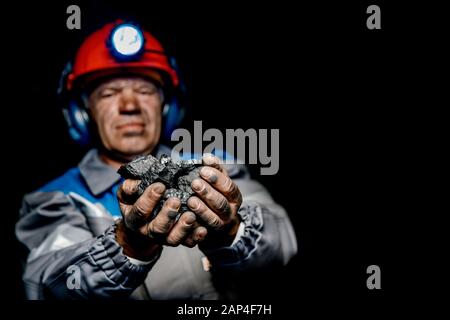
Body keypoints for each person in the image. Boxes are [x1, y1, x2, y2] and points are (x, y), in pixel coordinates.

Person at [15, 20, 297, 299]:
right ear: (83, 113)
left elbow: (281, 242)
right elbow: (48, 287)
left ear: (166, 107)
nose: (129, 106)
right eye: (109, 93)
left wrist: (229, 229)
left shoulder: (214, 166)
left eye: (145, 91)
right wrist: (129, 243)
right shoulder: (54, 199)